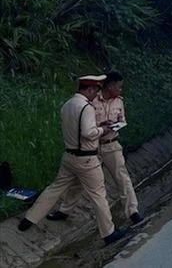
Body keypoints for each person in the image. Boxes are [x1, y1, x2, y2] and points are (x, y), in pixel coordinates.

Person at [18, 75, 128, 246]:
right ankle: (109, 233)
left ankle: (30, 218)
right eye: (95, 91)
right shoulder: (87, 107)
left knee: (55, 188)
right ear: (90, 89)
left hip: (69, 156)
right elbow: (88, 132)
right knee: (99, 195)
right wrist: (103, 129)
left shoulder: (67, 104)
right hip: (87, 158)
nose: (96, 94)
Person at [46, 71, 144, 225]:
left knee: (122, 178)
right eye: (118, 87)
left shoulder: (119, 101)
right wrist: (101, 126)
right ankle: (64, 210)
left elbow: (122, 119)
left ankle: (133, 211)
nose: (120, 90)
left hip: (111, 145)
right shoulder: (91, 101)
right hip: (91, 147)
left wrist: (117, 124)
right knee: (78, 180)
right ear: (110, 86)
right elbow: (84, 125)